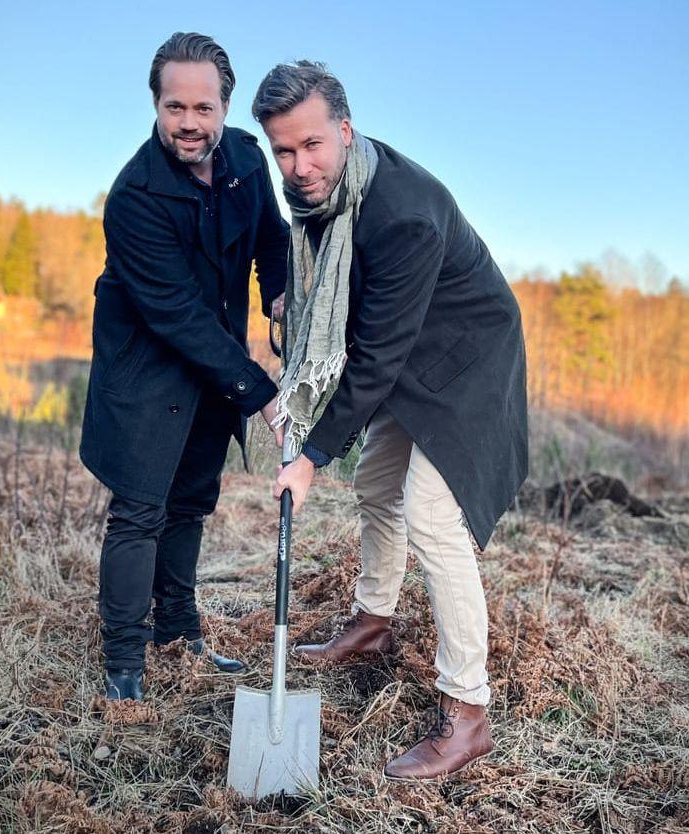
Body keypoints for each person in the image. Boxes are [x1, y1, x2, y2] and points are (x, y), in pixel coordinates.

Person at [252, 61, 528, 779]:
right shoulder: (320, 193)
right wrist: (293, 303)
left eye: (311, 145)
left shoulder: (400, 212)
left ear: (344, 131)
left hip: (466, 361)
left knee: (431, 516)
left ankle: (467, 714)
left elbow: (372, 358)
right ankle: (372, 624)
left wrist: (309, 454)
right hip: (408, 351)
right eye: (282, 150)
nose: (298, 165)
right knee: (377, 486)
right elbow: (325, 283)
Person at [80, 32, 288, 702]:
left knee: (192, 502)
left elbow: (271, 238)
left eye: (203, 107)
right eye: (176, 107)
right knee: (140, 508)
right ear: (156, 104)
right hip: (148, 361)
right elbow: (175, 313)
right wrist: (260, 393)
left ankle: (177, 633)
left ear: (225, 107)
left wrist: (278, 293)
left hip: (213, 357)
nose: (189, 122)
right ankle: (122, 667)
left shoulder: (248, 164)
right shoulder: (135, 197)